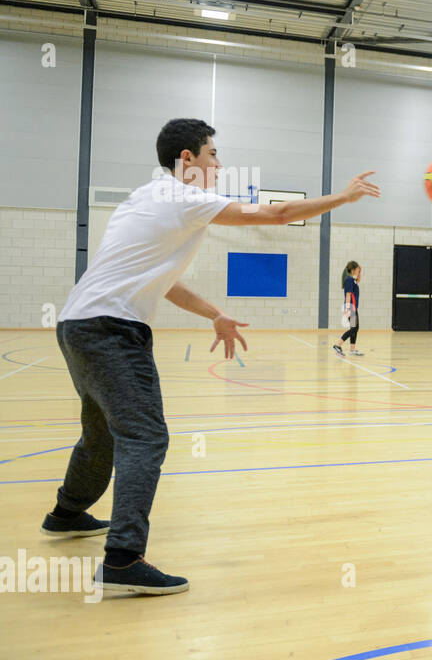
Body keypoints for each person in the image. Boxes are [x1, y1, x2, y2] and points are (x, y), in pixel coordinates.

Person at [44, 117, 379, 595]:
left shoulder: (146, 197)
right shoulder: (183, 197)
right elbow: (276, 215)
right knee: (144, 436)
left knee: (101, 435)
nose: (219, 164)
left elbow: (164, 283)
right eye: (212, 155)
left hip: (77, 324)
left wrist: (213, 314)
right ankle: (121, 560)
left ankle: (67, 513)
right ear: (188, 160)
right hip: (111, 330)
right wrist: (342, 198)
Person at [333, 261, 363, 356]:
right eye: (358, 269)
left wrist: (360, 271)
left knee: (354, 328)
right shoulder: (349, 280)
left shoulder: (352, 280)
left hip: (353, 307)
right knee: (354, 328)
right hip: (351, 307)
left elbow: (358, 281)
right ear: (353, 269)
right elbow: (348, 294)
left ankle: (352, 349)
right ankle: (338, 344)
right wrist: (347, 308)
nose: (359, 270)